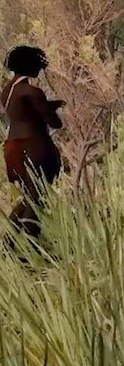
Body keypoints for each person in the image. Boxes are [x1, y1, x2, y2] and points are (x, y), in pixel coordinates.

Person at [1, 46, 64, 240]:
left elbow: (22, 113)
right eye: (38, 64)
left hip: (13, 148)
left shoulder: (7, 91)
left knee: (28, 196)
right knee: (36, 199)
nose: (40, 68)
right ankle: (30, 249)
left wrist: (48, 104)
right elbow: (55, 123)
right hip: (34, 147)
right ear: (29, 65)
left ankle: (9, 245)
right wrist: (51, 108)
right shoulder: (32, 91)